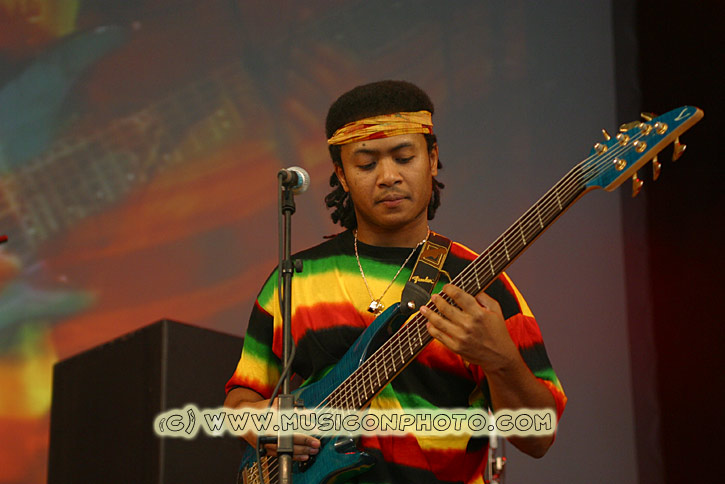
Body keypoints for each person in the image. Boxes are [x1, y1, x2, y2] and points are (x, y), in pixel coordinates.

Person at [224, 80, 566, 483]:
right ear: (342, 175)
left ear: (432, 159)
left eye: (404, 158)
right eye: (366, 165)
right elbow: (240, 400)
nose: (388, 176)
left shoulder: (480, 283)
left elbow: (537, 438)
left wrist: (501, 360)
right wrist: (261, 424)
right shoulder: (296, 279)